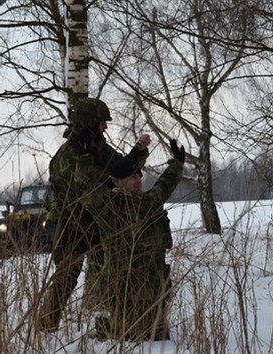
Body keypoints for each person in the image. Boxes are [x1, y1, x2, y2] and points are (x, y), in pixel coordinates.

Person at [37, 97, 151, 332]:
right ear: (89, 123)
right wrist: (112, 186)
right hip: (74, 224)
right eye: (101, 122)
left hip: (101, 220)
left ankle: (118, 322)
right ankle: (46, 327)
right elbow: (81, 188)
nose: (105, 127)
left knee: (116, 271)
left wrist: (137, 153)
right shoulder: (67, 155)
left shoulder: (99, 146)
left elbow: (120, 168)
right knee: (66, 277)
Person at [75, 138, 185, 341]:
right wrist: (83, 159)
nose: (137, 180)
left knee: (158, 336)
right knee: (129, 337)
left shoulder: (148, 202)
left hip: (154, 286)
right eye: (131, 177)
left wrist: (176, 164)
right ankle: (104, 328)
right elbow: (84, 184)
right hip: (125, 291)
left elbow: (164, 185)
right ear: (117, 182)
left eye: (138, 175)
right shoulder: (109, 206)